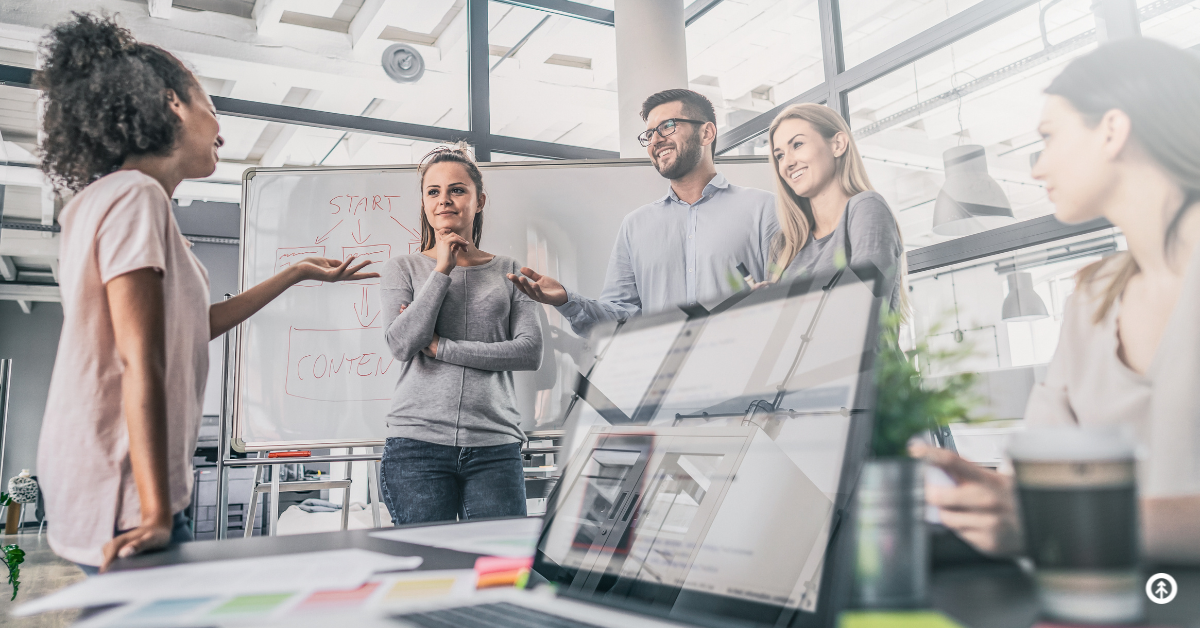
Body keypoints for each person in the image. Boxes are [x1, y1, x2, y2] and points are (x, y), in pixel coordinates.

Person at [34, 14, 377, 573]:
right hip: (126, 489)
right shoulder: (135, 197)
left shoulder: (105, 200)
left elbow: (191, 326)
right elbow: (139, 359)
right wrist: (156, 511)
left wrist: (294, 274)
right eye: (211, 110)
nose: (221, 132)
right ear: (173, 104)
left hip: (101, 478)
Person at [912, 38, 1200, 563]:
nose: (1037, 168)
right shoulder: (1092, 296)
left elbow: (1055, 514)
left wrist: (1063, 522)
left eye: (1048, 137)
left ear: (1112, 129)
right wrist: (991, 499)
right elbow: (1041, 472)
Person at [507, 89, 778, 335]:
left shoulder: (763, 210)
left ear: (706, 133)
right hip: (666, 383)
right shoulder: (636, 226)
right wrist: (567, 300)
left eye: (667, 126)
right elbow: (622, 319)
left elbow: (798, 303)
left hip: (744, 380)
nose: (656, 140)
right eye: (649, 134)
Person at [379, 145, 543, 525]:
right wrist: (441, 270)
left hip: (494, 444)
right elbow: (403, 344)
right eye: (433, 192)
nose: (444, 201)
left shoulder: (510, 270)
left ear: (479, 200)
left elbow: (529, 352)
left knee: (499, 569)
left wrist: (441, 346)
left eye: (457, 190)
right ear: (423, 202)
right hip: (416, 446)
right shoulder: (402, 269)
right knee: (428, 574)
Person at [768, 103, 906, 312]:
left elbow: (862, 309)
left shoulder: (866, 208)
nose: (787, 163)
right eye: (779, 155)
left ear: (838, 144)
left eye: (797, 145)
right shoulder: (785, 245)